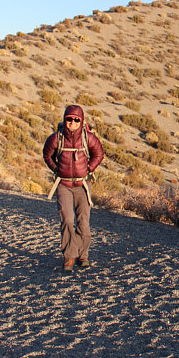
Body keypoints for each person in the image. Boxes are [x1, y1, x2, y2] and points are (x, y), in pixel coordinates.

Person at [42, 104, 105, 272]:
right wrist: (55, 169)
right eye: (69, 119)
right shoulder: (57, 137)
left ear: (81, 121)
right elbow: (47, 154)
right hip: (63, 185)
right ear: (65, 119)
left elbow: (99, 153)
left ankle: (83, 255)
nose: (72, 122)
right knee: (67, 220)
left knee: (83, 222)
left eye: (76, 120)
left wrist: (89, 168)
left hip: (82, 184)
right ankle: (69, 255)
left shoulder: (88, 137)